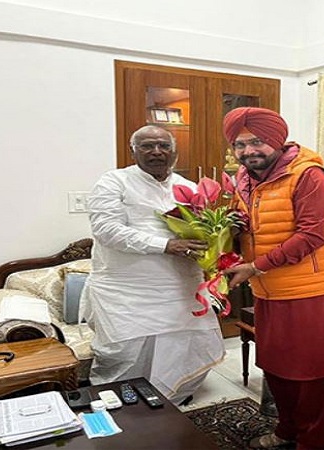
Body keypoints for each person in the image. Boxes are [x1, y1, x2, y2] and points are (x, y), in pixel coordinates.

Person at [222, 107, 324, 450]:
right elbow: (260, 227)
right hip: (269, 291)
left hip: (316, 292)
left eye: (256, 142)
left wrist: (255, 267)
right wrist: (230, 227)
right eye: (239, 145)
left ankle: (313, 443)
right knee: (276, 369)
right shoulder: (244, 179)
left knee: (314, 377)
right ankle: (287, 431)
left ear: (276, 140)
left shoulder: (309, 175)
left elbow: (313, 235)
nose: (248, 151)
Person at [80, 125, 224, 406]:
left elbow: (202, 232)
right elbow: (106, 230)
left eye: (163, 146)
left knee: (185, 349)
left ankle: (170, 405)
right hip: (127, 293)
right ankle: (123, 411)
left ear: (174, 151)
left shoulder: (189, 187)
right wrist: (166, 245)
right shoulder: (114, 182)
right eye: (147, 146)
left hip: (180, 290)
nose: (156, 152)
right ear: (132, 151)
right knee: (125, 354)